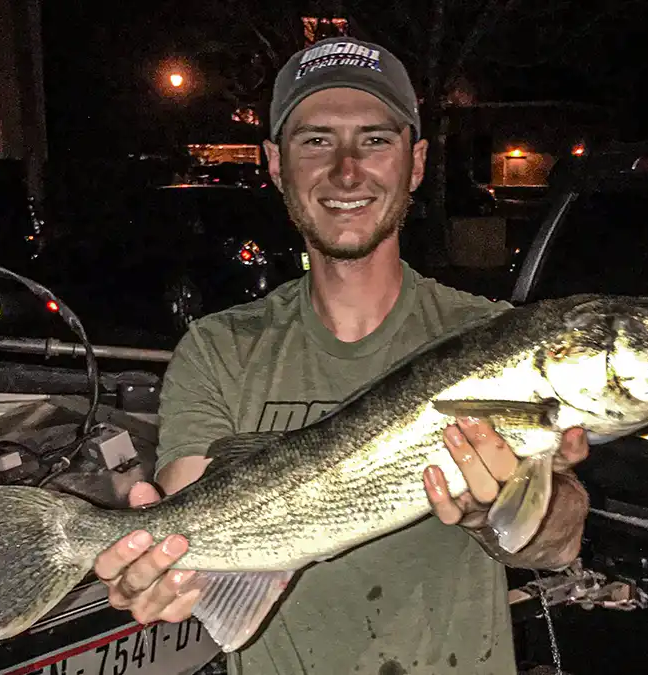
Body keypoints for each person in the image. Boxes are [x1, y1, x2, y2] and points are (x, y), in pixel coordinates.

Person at [91, 36, 591, 674]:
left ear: (415, 162)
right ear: (275, 165)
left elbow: (559, 538)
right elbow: (197, 512)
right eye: (316, 140)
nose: (348, 170)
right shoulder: (218, 347)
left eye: (376, 140)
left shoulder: (491, 336)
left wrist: (500, 512)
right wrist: (163, 571)